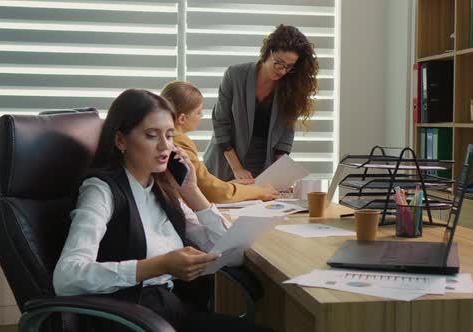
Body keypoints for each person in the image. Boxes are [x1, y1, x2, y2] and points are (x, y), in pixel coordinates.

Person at [53, 89, 271, 332]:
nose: (164, 146)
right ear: (120, 140)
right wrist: (160, 265)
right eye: (151, 135)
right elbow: (66, 277)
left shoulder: (164, 188)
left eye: (169, 135)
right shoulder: (101, 191)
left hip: (172, 312)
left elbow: (231, 253)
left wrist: (192, 192)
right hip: (127, 319)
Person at [203, 24, 319, 181]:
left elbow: (285, 134)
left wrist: (281, 174)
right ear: (267, 52)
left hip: (263, 164)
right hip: (226, 160)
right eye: (278, 62)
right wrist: (237, 168)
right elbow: (220, 123)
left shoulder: (291, 87)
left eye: (289, 66)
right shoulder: (235, 75)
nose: (282, 70)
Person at [160, 80, 279, 203]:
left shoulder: (167, 139)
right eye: (198, 112)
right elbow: (213, 192)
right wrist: (259, 191)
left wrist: (230, 187)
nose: (201, 116)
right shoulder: (178, 143)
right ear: (182, 118)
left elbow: (199, 187)